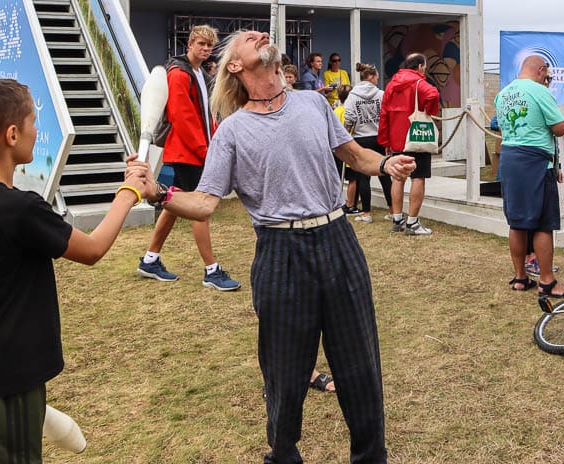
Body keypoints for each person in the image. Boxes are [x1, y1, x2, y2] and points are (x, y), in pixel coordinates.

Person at [152, 29, 415, 464]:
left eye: (261, 33)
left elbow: (353, 155)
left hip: (337, 239)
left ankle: (371, 457)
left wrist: (386, 163)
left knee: (360, 364)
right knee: (284, 371)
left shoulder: (314, 103)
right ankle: (284, 454)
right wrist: (157, 192)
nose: (259, 33)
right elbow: (202, 204)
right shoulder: (232, 131)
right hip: (279, 250)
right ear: (234, 65)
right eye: (247, 38)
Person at [0, 78, 152, 463]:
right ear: (11, 134)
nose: (37, 131)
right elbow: (91, 250)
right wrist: (130, 192)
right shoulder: (21, 208)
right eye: (33, 122)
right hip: (9, 377)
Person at [135, 25, 240, 291]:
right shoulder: (180, 74)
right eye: (201, 44)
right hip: (187, 154)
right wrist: (207, 152)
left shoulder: (198, 73)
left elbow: (206, 116)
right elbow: (183, 119)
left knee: (174, 204)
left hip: (191, 151)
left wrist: (214, 144)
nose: (205, 50)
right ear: (190, 43)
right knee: (199, 209)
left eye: (209, 46)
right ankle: (211, 270)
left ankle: (150, 259)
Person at [494, 55, 564, 297]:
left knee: (516, 222)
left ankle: (520, 277)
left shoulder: (503, 93)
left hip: (509, 157)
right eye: (546, 74)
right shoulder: (540, 92)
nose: (546, 78)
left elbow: (498, 125)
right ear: (540, 70)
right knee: (543, 223)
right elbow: (559, 127)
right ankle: (547, 281)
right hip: (536, 160)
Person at [377, 53, 441, 236]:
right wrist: (429, 110)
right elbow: (433, 94)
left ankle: (397, 218)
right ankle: (412, 222)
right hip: (416, 137)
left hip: (397, 138)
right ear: (420, 66)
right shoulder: (419, 83)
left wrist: (385, 140)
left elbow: (384, 114)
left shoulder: (391, 85)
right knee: (418, 178)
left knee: (398, 178)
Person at [342, 63, 389, 223]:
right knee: (384, 173)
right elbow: (386, 114)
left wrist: (346, 132)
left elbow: (349, 118)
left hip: (360, 138)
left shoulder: (353, 96)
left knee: (363, 176)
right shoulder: (381, 94)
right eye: (376, 76)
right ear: (371, 77)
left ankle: (366, 213)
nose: (377, 79)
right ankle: (393, 209)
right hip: (379, 137)